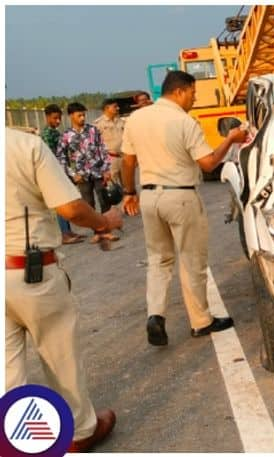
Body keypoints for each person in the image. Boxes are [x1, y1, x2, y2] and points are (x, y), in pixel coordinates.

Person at [5, 127, 123, 451]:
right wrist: (104, 222)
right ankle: (80, 432)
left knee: (6, 370)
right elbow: (70, 209)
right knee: (60, 356)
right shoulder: (25, 145)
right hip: (30, 272)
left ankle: (14, 440)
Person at [120, 70, 248, 346]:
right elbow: (208, 163)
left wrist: (129, 192)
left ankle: (156, 315)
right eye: (193, 93)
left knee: (158, 260)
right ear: (179, 91)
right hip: (181, 197)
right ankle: (201, 321)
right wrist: (231, 139)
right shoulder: (184, 122)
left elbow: (128, 161)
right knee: (191, 261)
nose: (194, 98)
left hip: (149, 197)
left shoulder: (136, 118)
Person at [55, 102, 116, 244]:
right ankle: (97, 232)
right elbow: (60, 157)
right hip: (81, 176)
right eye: (79, 115)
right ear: (71, 116)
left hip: (98, 172)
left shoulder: (93, 131)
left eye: (84, 115)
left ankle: (107, 231)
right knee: (89, 205)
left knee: (104, 200)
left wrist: (107, 169)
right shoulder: (66, 136)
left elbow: (103, 149)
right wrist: (72, 174)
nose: (83, 118)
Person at [41, 104, 84, 245]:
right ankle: (64, 234)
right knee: (61, 202)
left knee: (65, 200)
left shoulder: (54, 132)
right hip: (55, 171)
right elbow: (54, 156)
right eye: (55, 118)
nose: (58, 121)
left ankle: (68, 231)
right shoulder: (48, 134)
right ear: (47, 117)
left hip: (60, 170)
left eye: (59, 118)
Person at [93, 99, 125, 187]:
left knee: (129, 187)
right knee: (112, 189)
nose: (118, 108)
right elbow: (95, 145)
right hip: (110, 159)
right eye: (115, 106)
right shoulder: (98, 124)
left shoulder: (121, 121)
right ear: (107, 108)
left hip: (124, 157)